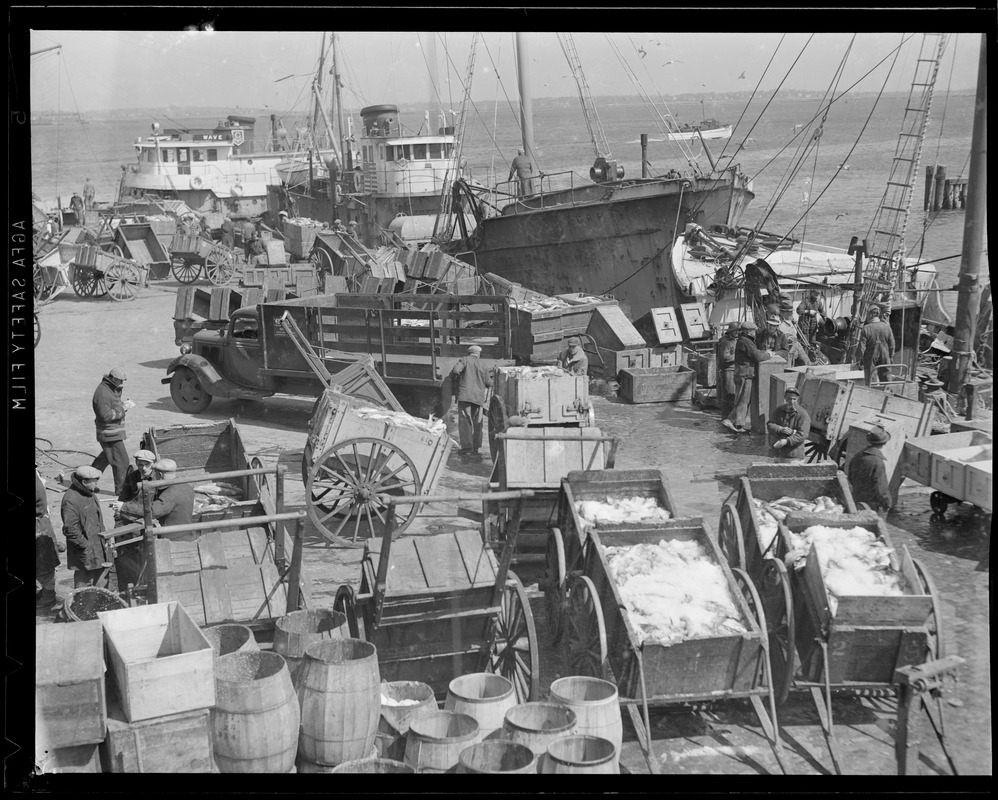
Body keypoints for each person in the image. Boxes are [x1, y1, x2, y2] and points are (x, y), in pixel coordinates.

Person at [116, 458, 196, 538]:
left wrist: (123, 507)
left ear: (160, 475)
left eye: (155, 474)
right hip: (188, 534)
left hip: (173, 540)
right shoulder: (187, 486)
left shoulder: (170, 493)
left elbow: (153, 511)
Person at [61, 465, 109, 588]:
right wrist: (86, 547)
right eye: (95, 480)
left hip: (98, 549)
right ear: (84, 482)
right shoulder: (71, 500)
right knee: (84, 588)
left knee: (102, 584)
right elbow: (71, 530)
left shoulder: (89, 492)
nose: (97, 483)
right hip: (84, 554)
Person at [91, 367, 135, 497]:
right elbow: (105, 415)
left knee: (105, 458)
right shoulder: (103, 393)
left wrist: (123, 405)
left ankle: (87, 480)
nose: (122, 384)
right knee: (121, 461)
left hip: (112, 432)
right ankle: (121, 491)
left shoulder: (111, 388)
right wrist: (123, 409)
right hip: (109, 433)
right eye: (120, 381)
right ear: (113, 378)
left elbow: (114, 405)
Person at [722, 320, 771, 433]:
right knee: (743, 400)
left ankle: (738, 424)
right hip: (745, 374)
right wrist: (768, 355)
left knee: (743, 399)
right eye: (753, 330)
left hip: (742, 373)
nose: (755, 332)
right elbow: (757, 356)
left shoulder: (743, 340)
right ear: (748, 331)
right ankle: (731, 420)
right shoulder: (746, 341)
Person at [448, 344, 493, 457]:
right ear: (478, 354)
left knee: (465, 422)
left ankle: (467, 448)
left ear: (469, 352)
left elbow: (456, 370)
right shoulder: (483, 364)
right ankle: (476, 448)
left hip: (465, 395)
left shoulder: (464, 360)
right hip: (478, 397)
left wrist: (461, 378)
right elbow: (488, 383)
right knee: (478, 423)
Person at [847, 425, 893, 517]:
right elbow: (881, 489)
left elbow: (850, 478)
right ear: (884, 443)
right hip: (872, 507)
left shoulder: (858, 456)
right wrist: (887, 503)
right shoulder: (878, 462)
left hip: (857, 501)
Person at [36, 468, 65, 609]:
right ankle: (45, 592)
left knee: (43, 564)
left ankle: (48, 595)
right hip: (40, 525)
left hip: (39, 528)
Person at [767, 387, 811, 460]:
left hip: (794, 455)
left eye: (794, 399)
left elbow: (803, 434)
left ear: (797, 399)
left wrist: (787, 441)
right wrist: (779, 429)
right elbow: (770, 424)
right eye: (789, 399)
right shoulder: (779, 410)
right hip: (778, 453)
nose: (791, 401)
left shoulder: (802, 414)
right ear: (785, 398)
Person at [858, 305, 896, 386]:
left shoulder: (866, 328)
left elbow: (861, 348)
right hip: (885, 356)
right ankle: (888, 393)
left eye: (868, 314)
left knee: (871, 381)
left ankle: (872, 394)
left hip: (870, 357)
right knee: (887, 380)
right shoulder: (886, 327)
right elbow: (892, 345)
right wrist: (891, 356)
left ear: (870, 315)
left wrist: (859, 360)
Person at [716, 322, 740, 418]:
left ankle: (731, 417)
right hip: (728, 371)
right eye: (735, 331)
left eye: (738, 331)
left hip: (735, 370)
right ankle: (726, 417)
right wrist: (738, 355)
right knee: (728, 395)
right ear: (730, 332)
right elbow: (725, 357)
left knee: (734, 395)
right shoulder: (726, 342)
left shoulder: (735, 340)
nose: (737, 333)